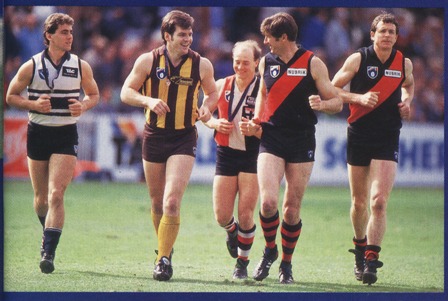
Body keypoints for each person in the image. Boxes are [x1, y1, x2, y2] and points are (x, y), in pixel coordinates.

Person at [120, 10, 217, 281]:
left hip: (184, 136)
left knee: (172, 201)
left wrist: (207, 108)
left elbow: (212, 93)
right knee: (156, 202)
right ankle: (166, 248)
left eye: (190, 34)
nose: (188, 39)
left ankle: (162, 259)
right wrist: (148, 101)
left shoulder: (201, 64)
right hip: (154, 135)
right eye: (182, 35)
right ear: (167, 36)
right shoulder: (148, 60)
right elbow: (126, 92)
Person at [246, 12, 342, 284]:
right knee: (267, 202)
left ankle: (286, 264)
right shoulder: (266, 62)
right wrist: (257, 119)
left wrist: (323, 106)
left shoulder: (313, 63)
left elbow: (336, 102)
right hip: (272, 137)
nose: (265, 42)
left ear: (284, 37)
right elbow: (264, 95)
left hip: (301, 140)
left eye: (268, 37)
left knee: (290, 208)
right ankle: (270, 250)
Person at [5, 13, 100, 274]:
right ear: (49, 35)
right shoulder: (31, 66)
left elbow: (94, 95)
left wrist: (83, 105)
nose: (70, 36)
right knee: (40, 199)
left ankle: (48, 252)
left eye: (71, 31)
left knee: (56, 193)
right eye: (64, 32)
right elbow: (11, 96)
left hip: (65, 134)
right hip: (38, 133)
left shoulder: (81, 66)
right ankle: (47, 232)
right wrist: (33, 104)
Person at [331, 12, 414, 285]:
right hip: (359, 134)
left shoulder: (404, 63)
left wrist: (406, 101)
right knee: (358, 202)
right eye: (383, 31)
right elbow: (332, 90)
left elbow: (408, 86)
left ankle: (371, 260)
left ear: (396, 36)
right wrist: (358, 97)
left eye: (392, 31)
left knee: (378, 202)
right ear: (372, 34)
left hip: (388, 135)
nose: (387, 35)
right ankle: (359, 247)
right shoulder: (359, 58)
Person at [203, 40, 262, 279]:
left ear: (257, 63)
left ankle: (242, 263)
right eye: (237, 61)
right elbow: (203, 113)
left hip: (253, 153)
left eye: (246, 62)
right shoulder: (221, 85)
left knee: (246, 212)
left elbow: (275, 127)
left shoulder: (264, 88)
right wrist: (215, 123)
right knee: (221, 215)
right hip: (226, 153)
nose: (240, 67)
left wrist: (257, 131)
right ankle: (232, 230)